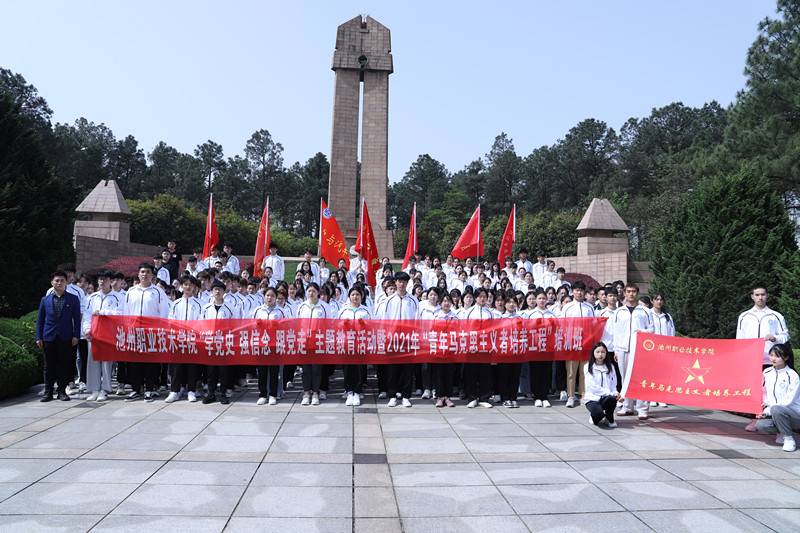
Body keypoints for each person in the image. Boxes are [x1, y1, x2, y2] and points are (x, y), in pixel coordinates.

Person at [738, 283, 791, 432]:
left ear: (767, 296)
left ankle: (773, 420)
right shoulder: (744, 316)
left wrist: (775, 338)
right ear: (752, 297)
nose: (760, 297)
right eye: (757, 295)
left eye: (762, 294)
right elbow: (740, 339)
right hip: (751, 360)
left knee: (771, 390)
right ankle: (755, 418)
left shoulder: (776, 316)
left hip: (771, 360)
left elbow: (785, 335)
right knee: (754, 390)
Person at [36, 271, 82, 402]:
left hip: (66, 337)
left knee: (64, 365)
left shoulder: (73, 299)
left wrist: (76, 335)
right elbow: (40, 320)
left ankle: (62, 391)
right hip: (48, 336)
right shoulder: (45, 300)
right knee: (48, 365)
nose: (59, 283)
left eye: (62, 280)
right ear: (52, 283)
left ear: (66, 282)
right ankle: (48, 391)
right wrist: (38, 336)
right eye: (57, 280)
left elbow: (77, 320)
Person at [613, 283, 654, 420]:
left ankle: (642, 409)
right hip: (623, 349)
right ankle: (627, 407)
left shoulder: (645, 311)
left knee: (641, 379)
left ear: (638, 293)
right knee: (625, 379)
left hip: (640, 350)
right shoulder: (619, 312)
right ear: (624, 293)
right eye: (628, 291)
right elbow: (616, 332)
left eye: (633, 291)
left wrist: (642, 332)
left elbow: (652, 329)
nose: (631, 294)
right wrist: (616, 350)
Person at [83, 270, 123, 402]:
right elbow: (87, 316)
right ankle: (94, 389)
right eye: (100, 279)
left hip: (108, 335)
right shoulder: (92, 297)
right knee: (93, 361)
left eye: (105, 280)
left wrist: (102, 312)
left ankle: (105, 390)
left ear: (111, 282)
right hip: (94, 335)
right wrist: (87, 330)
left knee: (106, 363)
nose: (101, 282)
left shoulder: (117, 297)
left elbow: (120, 314)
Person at [381, 271, 418, 407]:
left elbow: (417, 320)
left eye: (404, 281)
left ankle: (406, 395)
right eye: (399, 281)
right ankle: (392, 395)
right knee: (392, 369)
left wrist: (415, 337)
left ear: (407, 283)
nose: (401, 284)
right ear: (395, 282)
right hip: (393, 339)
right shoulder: (389, 300)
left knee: (407, 369)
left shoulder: (413, 300)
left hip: (408, 339)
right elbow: (385, 320)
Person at [755, 343, 800, 452]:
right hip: (775, 412)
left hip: (794, 415)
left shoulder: (792, 375)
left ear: (786, 358)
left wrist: (770, 411)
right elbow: (765, 393)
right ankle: (781, 432)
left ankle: (789, 439)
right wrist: (766, 410)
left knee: (777, 409)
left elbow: (788, 400)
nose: (773, 358)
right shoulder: (767, 372)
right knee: (761, 425)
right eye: (771, 355)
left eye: (777, 356)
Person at [166, 275, 203, 403]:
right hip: (178, 339)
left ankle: (191, 390)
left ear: (194, 287)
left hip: (193, 339)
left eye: (190, 284)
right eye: (185, 284)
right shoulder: (175, 303)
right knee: (177, 367)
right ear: (182, 286)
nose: (188, 287)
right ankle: (174, 391)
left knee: (191, 366)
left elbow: (201, 321)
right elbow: (171, 319)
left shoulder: (199, 303)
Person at [201, 281, 239, 404]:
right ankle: (211, 393)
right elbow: (201, 325)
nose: (217, 292)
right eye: (215, 289)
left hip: (224, 344)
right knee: (211, 371)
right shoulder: (206, 308)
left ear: (224, 291)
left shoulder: (229, 307)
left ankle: (223, 393)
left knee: (224, 371)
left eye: (220, 289)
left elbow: (235, 325)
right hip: (210, 343)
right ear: (211, 292)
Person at [252, 287, 290, 405]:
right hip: (262, 344)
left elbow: (287, 327)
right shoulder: (258, 310)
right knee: (262, 371)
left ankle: (273, 394)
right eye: (268, 295)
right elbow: (252, 326)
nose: (270, 298)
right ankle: (263, 394)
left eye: (272, 296)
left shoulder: (281, 311)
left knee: (274, 371)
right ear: (264, 297)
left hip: (275, 345)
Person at [296, 282, 333, 405]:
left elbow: (330, 324)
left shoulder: (324, 307)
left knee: (317, 369)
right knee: (305, 369)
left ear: (318, 293)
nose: (311, 293)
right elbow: (297, 324)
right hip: (304, 342)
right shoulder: (302, 306)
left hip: (319, 342)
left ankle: (315, 393)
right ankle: (306, 393)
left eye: (313, 291)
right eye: (309, 291)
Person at [560, 281, 595, 408]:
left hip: (586, 344)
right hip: (572, 344)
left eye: (581, 290)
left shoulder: (589, 307)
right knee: (571, 372)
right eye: (576, 290)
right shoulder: (567, 307)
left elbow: (593, 326)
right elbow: (562, 325)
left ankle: (583, 395)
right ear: (572, 292)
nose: (579, 292)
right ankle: (570, 395)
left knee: (584, 372)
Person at [338, 286, 372, 406]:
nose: (355, 297)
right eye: (353, 295)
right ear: (349, 297)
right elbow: (336, 327)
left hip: (360, 344)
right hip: (347, 344)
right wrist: (343, 325)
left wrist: (364, 325)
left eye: (357, 294)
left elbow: (372, 327)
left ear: (361, 296)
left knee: (358, 368)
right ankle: (349, 391)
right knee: (347, 369)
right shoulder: (343, 310)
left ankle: (357, 392)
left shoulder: (366, 311)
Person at [463, 288, 495, 408]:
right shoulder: (469, 312)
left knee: (485, 372)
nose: (482, 299)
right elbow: (465, 329)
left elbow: (493, 329)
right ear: (475, 298)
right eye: (480, 296)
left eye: (484, 296)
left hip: (486, 347)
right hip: (472, 346)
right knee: (471, 372)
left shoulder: (490, 313)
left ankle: (484, 398)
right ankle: (472, 397)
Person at [584, 342, 619, 428]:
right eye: (598, 352)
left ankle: (609, 418)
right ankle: (594, 415)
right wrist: (610, 393)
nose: (600, 354)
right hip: (592, 398)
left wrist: (615, 393)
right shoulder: (588, 366)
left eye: (603, 352)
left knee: (612, 399)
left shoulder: (610, 367)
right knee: (598, 415)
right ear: (593, 353)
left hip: (606, 397)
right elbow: (594, 387)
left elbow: (613, 384)